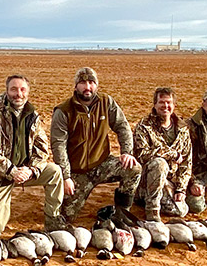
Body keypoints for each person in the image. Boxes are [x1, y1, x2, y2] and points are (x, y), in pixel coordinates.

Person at [49, 67, 141, 222]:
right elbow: (58, 146)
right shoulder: (64, 111)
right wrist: (66, 176)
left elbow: (122, 126)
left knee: (133, 168)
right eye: (83, 83)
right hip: (76, 172)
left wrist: (127, 152)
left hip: (102, 164)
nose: (87, 87)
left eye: (91, 82)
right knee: (66, 217)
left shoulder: (107, 102)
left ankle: (121, 213)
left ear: (96, 85)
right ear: (76, 86)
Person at [0, 75, 61, 235]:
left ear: (28, 92)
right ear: (7, 91)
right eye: (14, 89)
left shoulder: (33, 116)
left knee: (55, 172)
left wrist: (31, 170)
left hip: (24, 172)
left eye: (22, 89)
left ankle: (53, 219)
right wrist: (12, 171)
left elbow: (42, 150)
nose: (18, 94)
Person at [131, 87, 193, 220]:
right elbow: (142, 154)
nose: (165, 106)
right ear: (155, 104)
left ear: (174, 105)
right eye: (161, 102)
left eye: (169, 103)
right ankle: (152, 210)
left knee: (181, 211)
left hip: (169, 181)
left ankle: (157, 198)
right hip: (146, 179)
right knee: (160, 163)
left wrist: (181, 189)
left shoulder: (183, 129)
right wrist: (171, 154)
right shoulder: (144, 126)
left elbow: (187, 162)